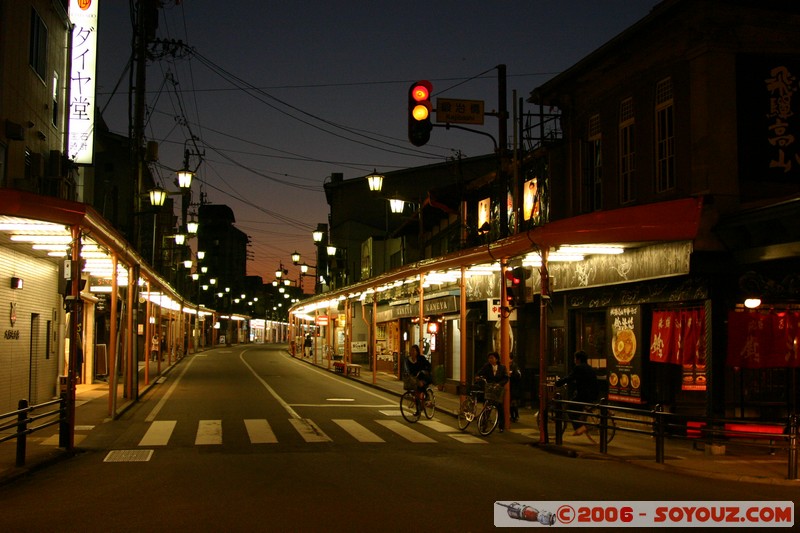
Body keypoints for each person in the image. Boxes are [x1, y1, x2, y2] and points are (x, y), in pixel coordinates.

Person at [555, 350, 599, 435]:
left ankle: (579, 427)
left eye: (575, 359)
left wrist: (558, 383)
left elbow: (569, 378)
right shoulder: (589, 368)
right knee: (577, 407)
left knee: (570, 408)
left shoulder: (579, 368)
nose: (574, 360)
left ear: (578, 359)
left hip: (585, 395)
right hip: (594, 394)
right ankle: (583, 423)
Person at [475, 351, 509, 432]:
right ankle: (484, 424)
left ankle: (501, 426)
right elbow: (480, 373)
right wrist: (478, 376)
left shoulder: (502, 367)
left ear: (496, 359)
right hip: (489, 388)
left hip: (498, 390)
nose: (490, 360)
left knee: (499, 407)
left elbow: (506, 378)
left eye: (492, 358)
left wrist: (499, 384)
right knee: (487, 406)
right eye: (489, 358)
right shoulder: (486, 366)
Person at [403, 344, 432, 413]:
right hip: (414, 378)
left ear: (417, 352)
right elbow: (407, 369)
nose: (412, 352)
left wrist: (426, 371)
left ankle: (427, 396)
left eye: (414, 350)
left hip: (424, 377)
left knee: (421, 385)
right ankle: (418, 410)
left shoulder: (421, 358)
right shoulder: (408, 360)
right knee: (416, 394)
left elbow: (428, 365)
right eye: (411, 351)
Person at [508, 354, 522, 422]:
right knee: (511, 401)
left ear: (511, 359)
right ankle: (513, 415)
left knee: (513, 402)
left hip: (514, 386)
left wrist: (512, 373)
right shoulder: (506, 366)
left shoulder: (514, 366)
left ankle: (515, 416)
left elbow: (518, 375)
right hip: (510, 386)